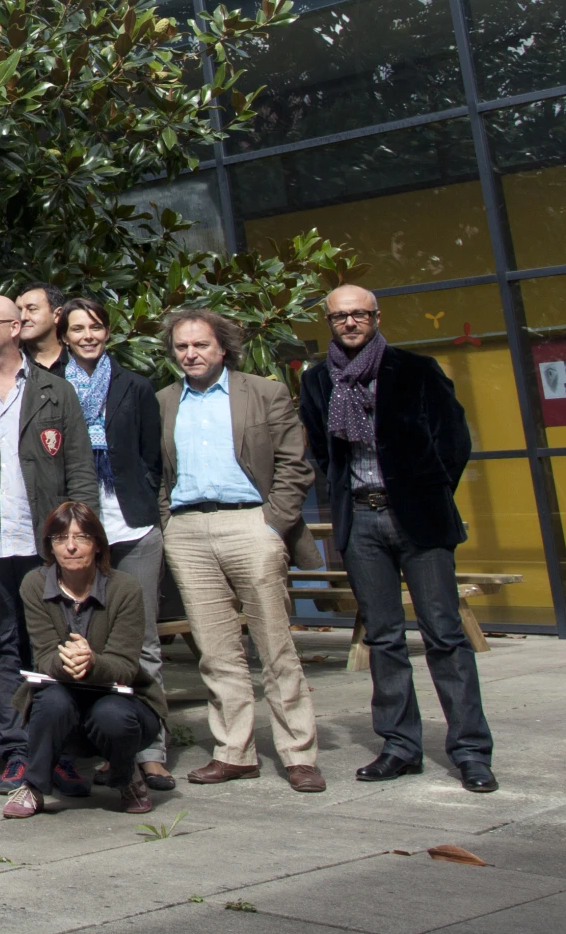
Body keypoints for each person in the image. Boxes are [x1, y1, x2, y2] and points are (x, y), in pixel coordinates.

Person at [299, 285, 492, 791]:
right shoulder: (319, 381)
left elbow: (453, 441)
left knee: (445, 636)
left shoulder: (415, 370)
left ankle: (471, 750)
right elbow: (322, 452)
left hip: (418, 519)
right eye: (341, 316)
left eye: (360, 314)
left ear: (377, 317)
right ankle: (400, 745)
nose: (351, 322)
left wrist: (423, 492)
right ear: (329, 322)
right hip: (360, 521)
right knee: (383, 639)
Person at [158, 307, 323, 792]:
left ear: (222, 348)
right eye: (182, 347)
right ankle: (235, 752)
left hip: (251, 523)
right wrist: (169, 522)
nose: (190, 354)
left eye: (200, 345)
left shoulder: (264, 392)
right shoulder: (164, 400)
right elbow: (157, 470)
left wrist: (273, 524)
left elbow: (295, 465)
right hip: (188, 530)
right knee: (215, 651)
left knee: (276, 645)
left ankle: (298, 753)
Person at [0, 294, 96, 797]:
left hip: (47, 546)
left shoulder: (56, 391)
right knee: (2, 648)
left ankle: (61, 752)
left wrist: (81, 539)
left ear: (15, 327)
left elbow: (79, 472)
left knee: (52, 647)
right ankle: (17, 752)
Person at [57, 298, 173, 789]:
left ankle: (150, 748)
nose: (87, 335)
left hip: (132, 527)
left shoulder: (135, 385)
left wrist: (139, 496)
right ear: (62, 335)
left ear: (108, 333)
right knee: (88, 640)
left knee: (142, 639)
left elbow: (152, 456)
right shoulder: (50, 387)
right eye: (78, 328)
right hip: (81, 533)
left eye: (96, 327)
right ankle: (105, 747)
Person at [5, 501, 165, 818]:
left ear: (97, 544)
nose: (72, 546)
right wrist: (70, 659)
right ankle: (33, 787)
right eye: (61, 538)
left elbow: (124, 666)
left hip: (118, 696)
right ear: (50, 546)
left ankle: (126, 777)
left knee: (113, 715)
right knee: (52, 703)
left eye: (82, 537)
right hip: (61, 694)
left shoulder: (125, 587)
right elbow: (45, 654)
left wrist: (92, 661)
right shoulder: (35, 584)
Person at [15, 283, 68, 375]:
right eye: (18, 311)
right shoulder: (11, 366)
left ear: (57, 315)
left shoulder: (81, 361)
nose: (22, 317)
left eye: (32, 309)